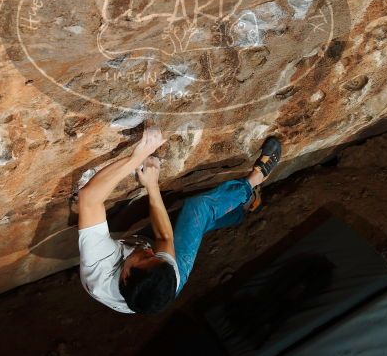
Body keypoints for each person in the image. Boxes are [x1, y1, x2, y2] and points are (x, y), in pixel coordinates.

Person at [77, 127, 282, 314]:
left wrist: (142, 167)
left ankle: (240, 210)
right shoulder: (164, 272)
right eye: (155, 256)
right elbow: (165, 237)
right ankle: (255, 181)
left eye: (148, 257)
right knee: (197, 211)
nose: (151, 250)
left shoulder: (99, 265)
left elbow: (88, 199)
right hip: (170, 281)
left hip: (137, 273)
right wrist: (148, 176)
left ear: (126, 274)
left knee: (191, 222)